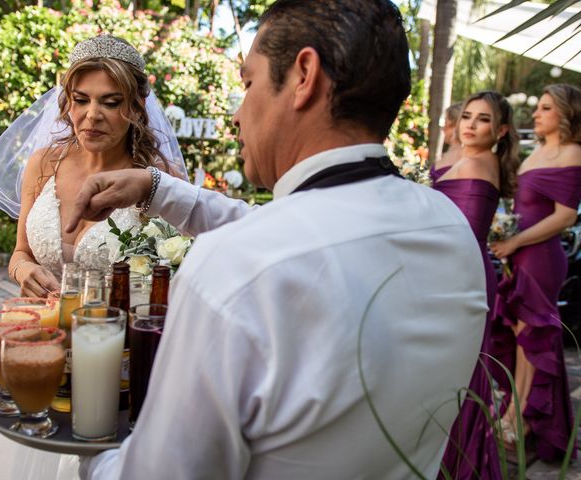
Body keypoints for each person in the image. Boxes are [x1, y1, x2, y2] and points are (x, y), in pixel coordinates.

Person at [66, 2, 489, 478]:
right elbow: (293, 229)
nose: (238, 113)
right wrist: (156, 186)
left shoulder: (236, 266)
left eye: (248, 84)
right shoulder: (450, 229)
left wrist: (85, 457)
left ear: (304, 75)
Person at [0, 35, 187, 479]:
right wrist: (24, 268)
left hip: (113, 367)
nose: (91, 115)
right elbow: (19, 253)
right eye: (80, 99)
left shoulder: (160, 181)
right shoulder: (44, 163)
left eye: (110, 101)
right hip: (44, 354)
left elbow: (169, 285)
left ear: (137, 107)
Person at [490, 84, 581, 460]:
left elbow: (566, 215)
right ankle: (517, 412)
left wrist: (515, 242)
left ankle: (524, 419)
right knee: (522, 337)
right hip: (522, 254)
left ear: (565, 113)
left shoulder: (573, 152)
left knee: (534, 338)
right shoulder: (538, 152)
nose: (537, 114)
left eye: (545, 108)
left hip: (541, 257)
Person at [433, 91, 520, 479]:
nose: (470, 124)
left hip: (459, 272)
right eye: (466, 115)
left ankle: (456, 462)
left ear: (500, 130)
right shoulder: (471, 159)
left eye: (482, 119)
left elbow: (460, 231)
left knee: (456, 373)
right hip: (460, 268)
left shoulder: (478, 164)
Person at [430, 102, 463, 186]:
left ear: (456, 126)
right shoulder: (451, 152)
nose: (443, 128)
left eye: (445, 123)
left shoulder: (463, 155)